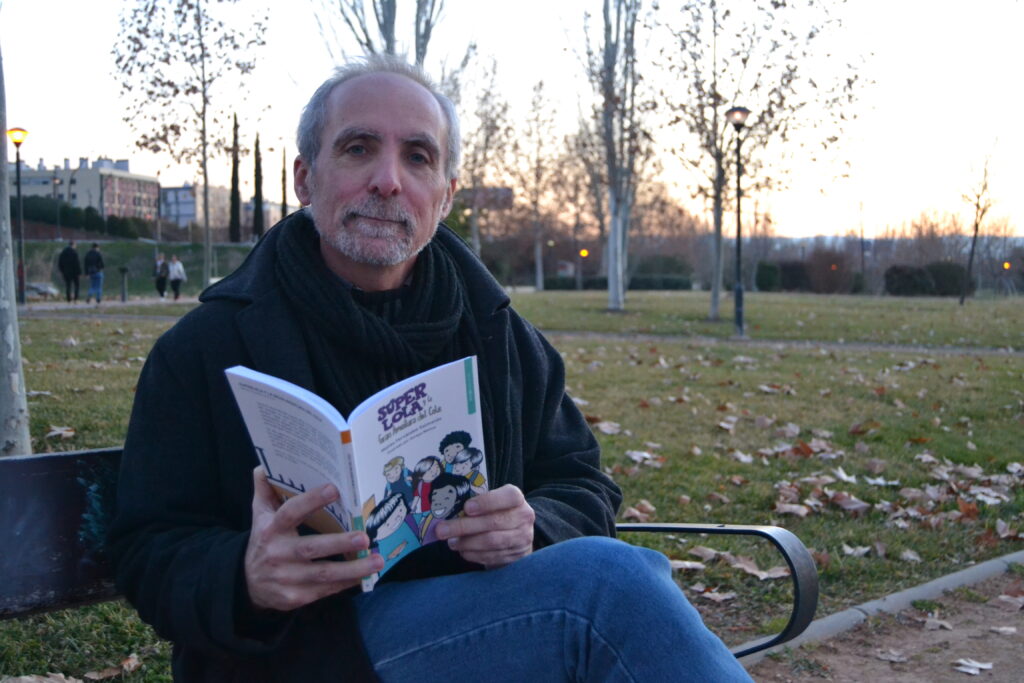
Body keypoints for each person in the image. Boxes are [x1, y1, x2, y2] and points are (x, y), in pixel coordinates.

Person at [109, 56, 752, 682]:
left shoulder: (500, 334)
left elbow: (584, 485)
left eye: (417, 157)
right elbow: (146, 549)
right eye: (358, 148)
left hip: (489, 628)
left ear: (443, 196)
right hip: (303, 654)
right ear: (306, 179)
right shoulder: (206, 346)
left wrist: (534, 525)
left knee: (610, 591)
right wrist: (245, 576)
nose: (388, 180)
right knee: (609, 592)